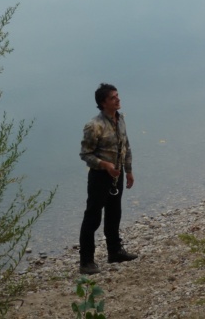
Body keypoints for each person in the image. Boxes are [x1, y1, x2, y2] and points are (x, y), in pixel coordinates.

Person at [79, 83, 138, 274]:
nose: (118, 99)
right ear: (103, 103)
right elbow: (85, 154)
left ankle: (115, 252)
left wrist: (128, 171)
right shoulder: (93, 125)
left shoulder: (120, 119)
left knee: (114, 214)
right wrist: (105, 165)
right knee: (92, 218)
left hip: (117, 175)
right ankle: (86, 261)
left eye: (117, 96)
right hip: (99, 177)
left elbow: (126, 147)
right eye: (113, 97)